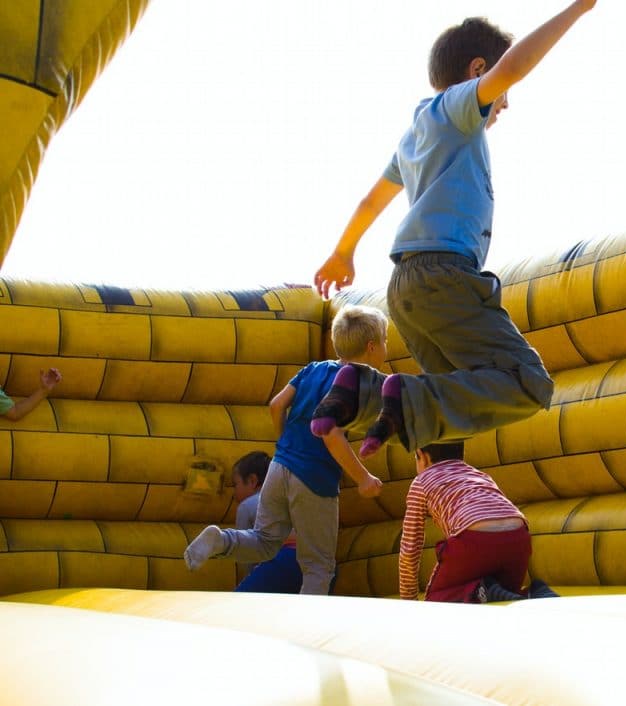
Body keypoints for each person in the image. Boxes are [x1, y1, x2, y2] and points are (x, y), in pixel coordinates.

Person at [311, 1, 598, 458]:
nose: (505, 102)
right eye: (500, 90)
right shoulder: (458, 110)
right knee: (526, 383)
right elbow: (515, 66)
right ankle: (400, 398)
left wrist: (342, 252)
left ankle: (366, 394)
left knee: (449, 408)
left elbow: (372, 200)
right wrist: (578, 10)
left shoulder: (415, 134)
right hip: (444, 276)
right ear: (479, 69)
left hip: (405, 289)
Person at [183, 305, 387, 595]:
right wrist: (363, 477)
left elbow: (276, 405)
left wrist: (285, 446)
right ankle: (308, 629)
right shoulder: (354, 384)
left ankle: (221, 540)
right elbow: (330, 433)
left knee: (264, 542)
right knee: (318, 566)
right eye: (385, 341)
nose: (386, 348)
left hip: (280, 467)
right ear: (371, 347)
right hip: (314, 477)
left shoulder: (313, 370)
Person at [398, 441, 558, 603]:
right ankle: (534, 592)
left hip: (473, 539)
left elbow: (410, 547)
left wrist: (408, 600)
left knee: (436, 602)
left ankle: (480, 592)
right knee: (505, 595)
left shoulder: (421, 482)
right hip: (518, 538)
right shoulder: (478, 475)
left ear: (422, 456)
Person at [229, 450, 305, 593]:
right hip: (314, 564)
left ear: (252, 481)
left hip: (284, 560)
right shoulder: (291, 497)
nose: (233, 493)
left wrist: (247, 584)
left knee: (237, 603)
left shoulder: (247, 506)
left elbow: (245, 555)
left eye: (235, 484)